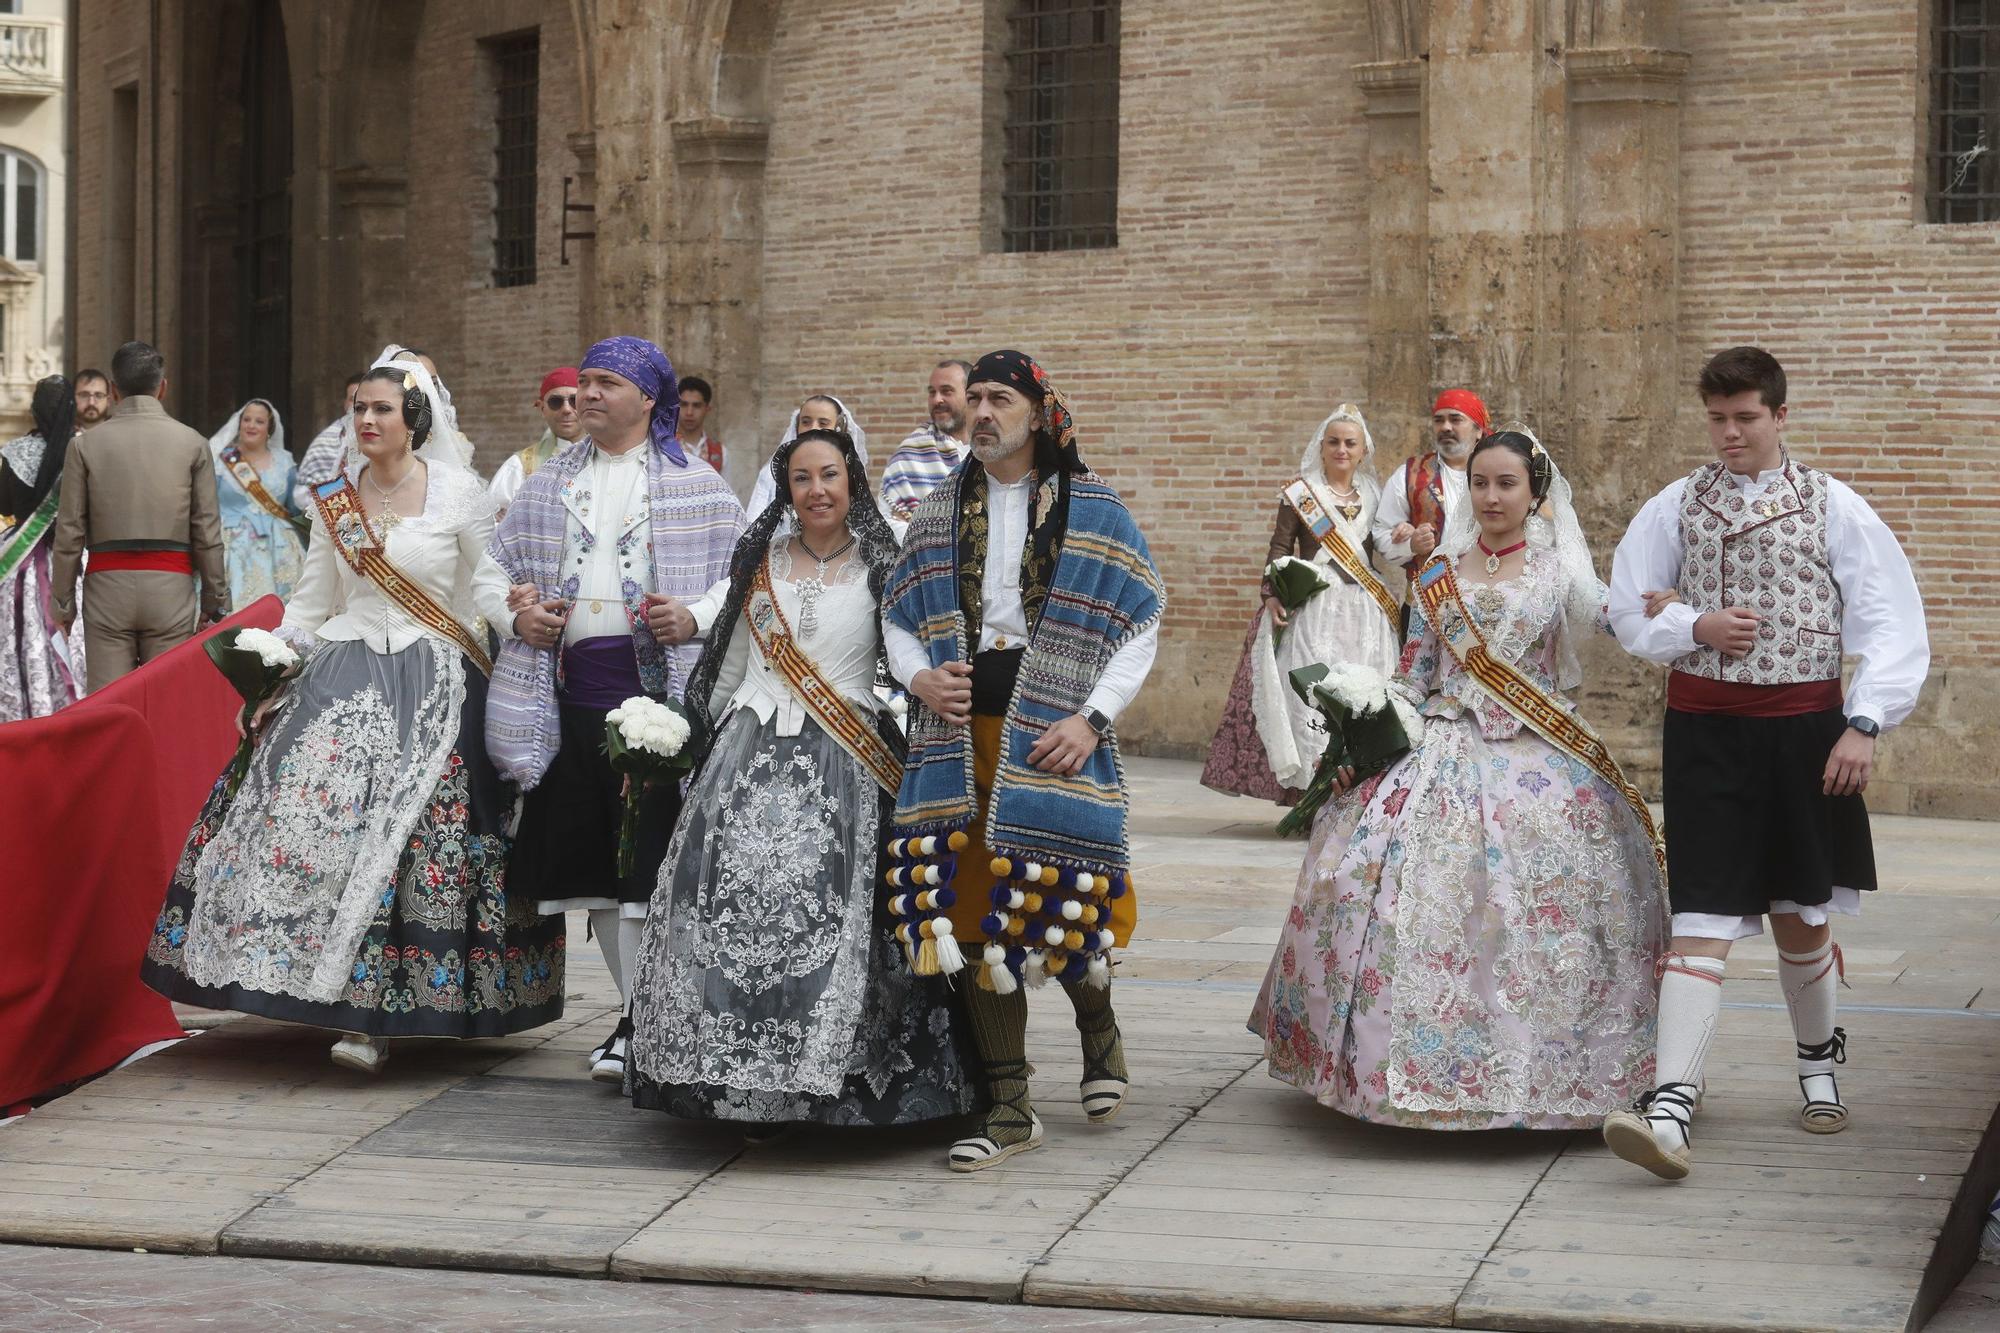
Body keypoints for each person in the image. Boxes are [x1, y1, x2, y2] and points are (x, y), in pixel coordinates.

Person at [142, 356, 565, 1074]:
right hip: (343, 666)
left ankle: (384, 1015)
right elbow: (310, 602)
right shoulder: (333, 497)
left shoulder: (461, 493)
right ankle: (316, 993)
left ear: (414, 421)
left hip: (437, 676)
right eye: (359, 409)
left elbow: (487, 586)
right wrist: (270, 667)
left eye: (382, 410)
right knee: (301, 809)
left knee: (415, 837)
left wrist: (519, 624)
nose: (366, 420)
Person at [1248, 429, 1667, 1129]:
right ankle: (1387, 1065)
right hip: (1440, 747)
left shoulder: (1558, 566)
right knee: (1373, 886)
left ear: (1536, 492)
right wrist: (1371, 737)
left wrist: (1663, 607)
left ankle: (1557, 1070)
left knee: (1544, 909)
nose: (1492, 496)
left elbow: (1614, 618)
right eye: (1480, 483)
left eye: (1507, 483)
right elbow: (1414, 673)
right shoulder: (1439, 567)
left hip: (1539, 753)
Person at [1600, 347, 1929, 1180]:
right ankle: (1671, 1103)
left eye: (1745, 417)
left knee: (1802, 912)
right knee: (1700, 916)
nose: (1729, 433)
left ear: (1780, 416)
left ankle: (1818, 1061)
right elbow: (1626, 607)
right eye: (1717, 418)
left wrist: (1863, 723)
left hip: (1807, 735)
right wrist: (1694, 627)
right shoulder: (1675, 505)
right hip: (1704, 731)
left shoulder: (1835, 505)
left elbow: (1891, 621)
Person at [626, 429, 982, 1134]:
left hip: (847, 755)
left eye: (829, 474)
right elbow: (727, 662)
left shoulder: (886, 559)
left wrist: (928, 682)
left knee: (839, 905)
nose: (816, 489)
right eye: (800, 478)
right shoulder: (758, 561)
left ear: (851, 479)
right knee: (723, 898)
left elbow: (908, 643)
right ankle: (728, 1072)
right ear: (785, 489)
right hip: (746, 755)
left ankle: (832, 1085)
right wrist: (688, 736)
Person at [884, 350, 1164, 1171]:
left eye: (998, 398)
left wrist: (1093, 716)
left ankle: (1098, 1027)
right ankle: (1009, 1102)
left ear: (1039, 411)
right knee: (969, 913)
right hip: (958, 734)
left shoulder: (1095, 507)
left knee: (1068, 896)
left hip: (1056, 734)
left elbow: (1141, 616)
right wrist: (919, 676)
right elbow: (899, 610)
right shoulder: (938, 510)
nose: (981, 412)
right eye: (973, 398)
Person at [487, 336, 745, 1086]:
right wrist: (518, 616)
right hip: (567, 692)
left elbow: (745, 575)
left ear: (647, 398)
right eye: (586, 381)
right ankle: (637, 1017)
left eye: (605, 383)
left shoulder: (697, 485)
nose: (589, 393)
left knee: (648, 866)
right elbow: (494, 572)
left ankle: (643, 1025)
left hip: (658, 700)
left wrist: (694, 615)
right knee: (592, 872)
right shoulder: (544, 484)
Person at [1202, 404, 1402, 801]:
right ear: (1321, 447)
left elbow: (1380, 543)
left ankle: (1361, 788)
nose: (1341, 449)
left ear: (1363, 450)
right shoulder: (1299, 492)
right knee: (1312, 693)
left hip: (1363, 607)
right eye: (1334, 442)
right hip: (1316, 607)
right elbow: (1280, 545)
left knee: (1364, 690)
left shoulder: (1376, 495)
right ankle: (1313, 792)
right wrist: (1271, 594)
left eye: (1350, 443)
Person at [49, 341, 228, 690]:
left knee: (109, 707)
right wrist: (214, 598)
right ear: (162, 386)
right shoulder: (192, 443)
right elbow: (207, 530)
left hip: (107, 588)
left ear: (114, 391)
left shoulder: (84, 445)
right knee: (167, 699)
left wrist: (63, 602)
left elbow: (69, 531)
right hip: (171, 590)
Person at [0, 375, 84, 719]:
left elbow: (4, 504)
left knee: (19, 637)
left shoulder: (15, 452)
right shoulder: (84, 448)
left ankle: (20, 708)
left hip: (19, 560)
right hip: (72, 557)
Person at [1372, 389, 1487, 604]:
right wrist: (1411, 545)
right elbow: (1381, 533)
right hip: (1425, 604)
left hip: (1485, 601)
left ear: (1478, 429)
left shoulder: (1496, 474)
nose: (1445, 427)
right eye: (1438, 420)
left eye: (1455, 419)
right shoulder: (1411, 473)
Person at [210, 399, 306, 610]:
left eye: (259, 421)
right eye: (247, 419)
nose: (251, 425)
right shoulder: (221, 461)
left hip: (279, 549)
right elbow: (207, 506)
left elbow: (296, 506)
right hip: (231, 547)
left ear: (269, 428)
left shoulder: (284, 461)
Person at [745, 394, 870, 521]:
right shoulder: (771, 474)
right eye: (806, 422)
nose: (813, 428)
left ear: (839, 427)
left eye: (823, 423)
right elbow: (755, 518)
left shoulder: (851, 472)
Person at [879, 359, 973, 522]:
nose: (937, 400)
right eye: (932, 392)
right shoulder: (908, 456)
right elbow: (890, 524)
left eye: (946, 391)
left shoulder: (991, 447)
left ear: (970, 395)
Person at [489, 367, 583, 514]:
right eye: (555, 402)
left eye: (574, 401)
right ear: (542, 408)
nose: (566, 409)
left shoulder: (611, 459)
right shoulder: (520, 466)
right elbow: (494, 526)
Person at [292, 372, 366, 512]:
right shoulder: (325, 441)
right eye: (352, 399)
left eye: (363, 400)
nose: (357, 405)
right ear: (345, 403)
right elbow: (303, 495)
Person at [675, 375, 725, 478]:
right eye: (684, 404)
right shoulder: (663, 448)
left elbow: (727, 493)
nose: (689, 412)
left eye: (696, 406)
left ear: (707, 409)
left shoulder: (721, 452)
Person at [72, 370, 112, 434]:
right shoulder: (60, 435)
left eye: (98, 396)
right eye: (84, 395)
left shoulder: (120, 434)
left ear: (108, 401)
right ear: (73, 398)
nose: (91, 403)